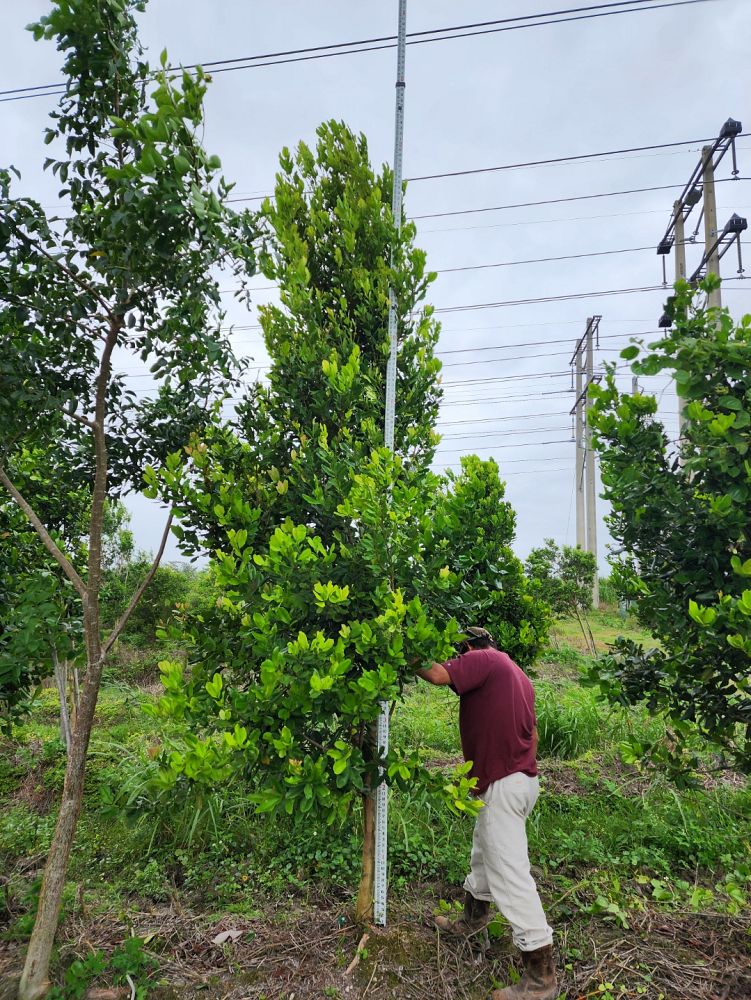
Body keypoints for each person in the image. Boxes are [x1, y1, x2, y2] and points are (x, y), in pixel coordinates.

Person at [416, 626, 557, 1000]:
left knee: (509, 874)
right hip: (520, 779)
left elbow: (436, 674)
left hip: (503, 782)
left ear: (470, 648)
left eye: (458, 652)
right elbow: (535, 732)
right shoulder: (516, 673)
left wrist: (399, 649)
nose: (456, 659)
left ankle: (541, 979)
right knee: (485, 851)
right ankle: (473, 921)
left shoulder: (484, 659)